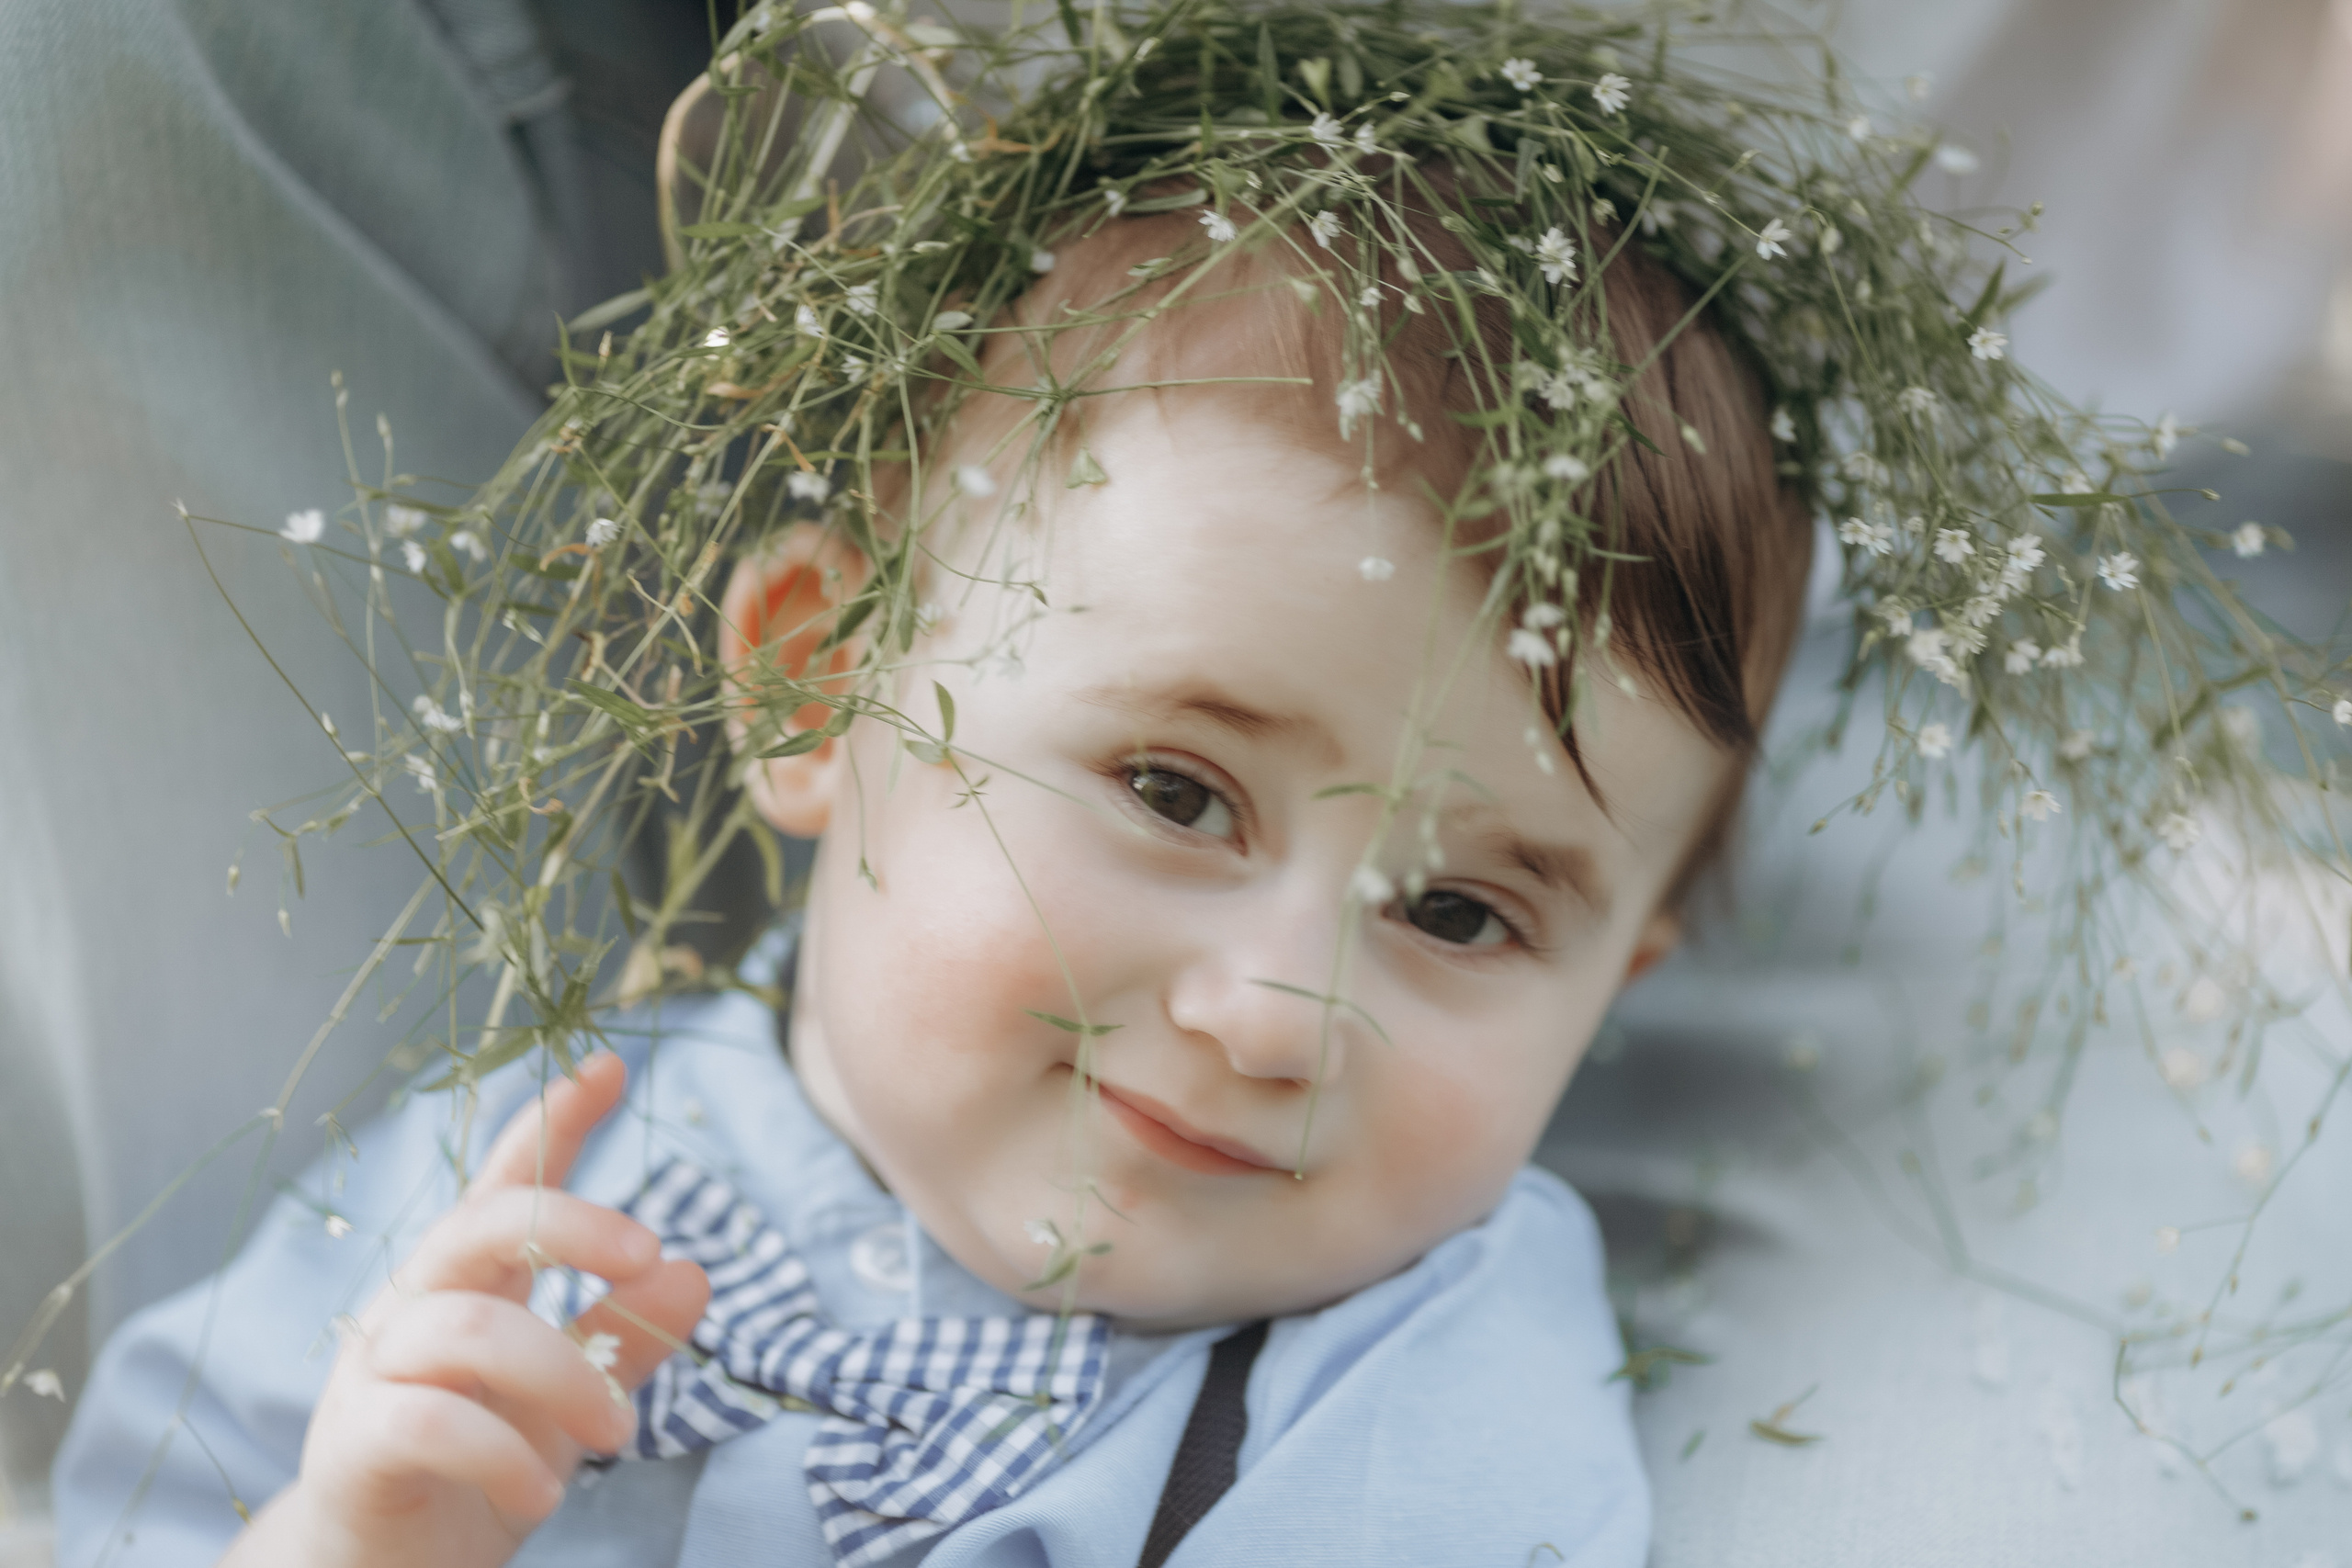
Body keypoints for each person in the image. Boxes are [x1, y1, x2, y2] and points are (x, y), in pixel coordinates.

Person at [49, 0, 2327, 1562]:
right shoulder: (533, 1166)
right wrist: (344, 1527)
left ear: (1618, 974)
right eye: (1171, 787)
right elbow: (147, 1499)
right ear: (818, 683)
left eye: (1462, 913)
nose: (1269, 1008)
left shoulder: (1417, 1389)